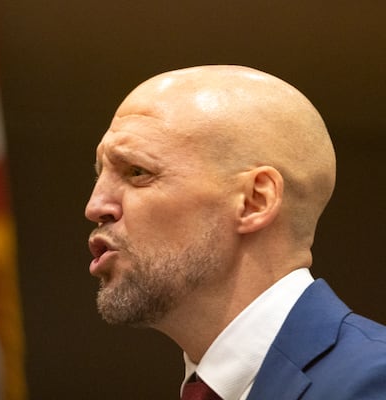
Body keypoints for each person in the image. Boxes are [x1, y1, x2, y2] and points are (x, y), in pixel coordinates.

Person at [84, 65, 386, 400]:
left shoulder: (371, 382)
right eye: (100, 175)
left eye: (137, 172)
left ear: (255, 201)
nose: (96, 206)